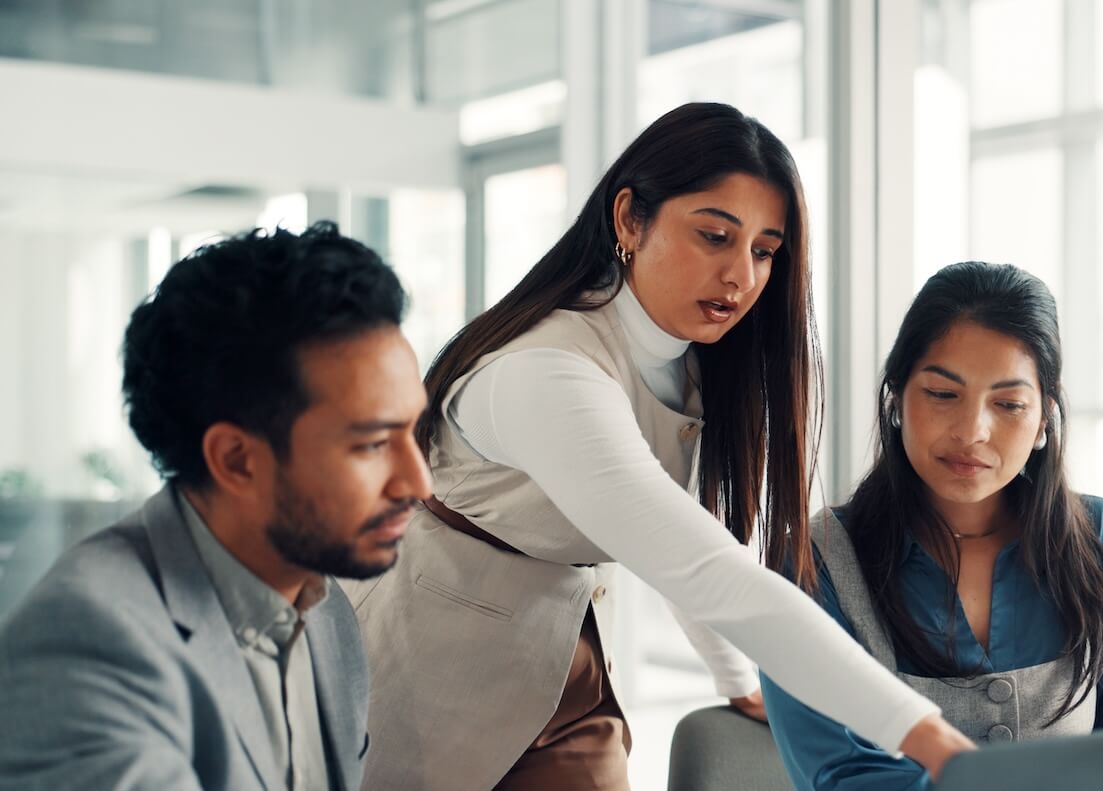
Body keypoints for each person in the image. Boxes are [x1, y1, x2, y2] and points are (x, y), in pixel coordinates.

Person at [344, 102, 972, 789]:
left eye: (764, 251)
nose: (742, 276)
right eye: (714, 235)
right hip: (429, 667)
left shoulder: (692, 362)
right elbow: (703, 566)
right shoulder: (547, 372)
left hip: (563, 667)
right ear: (628, 219)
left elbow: (678, 532)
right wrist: (934, 739)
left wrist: (736, 679)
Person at [0, 222, 432, 790]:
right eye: (373, 444)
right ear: (236, 460)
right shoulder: (89, 638)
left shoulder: (325, 613)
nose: (418, 483)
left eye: (413, 432)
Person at [762, 262, 1103, 790]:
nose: (972, 431)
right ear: (897, 398)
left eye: (1009, 404)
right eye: (943, 395)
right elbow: (846, 777)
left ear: (1044, 419)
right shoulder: (818, 561)